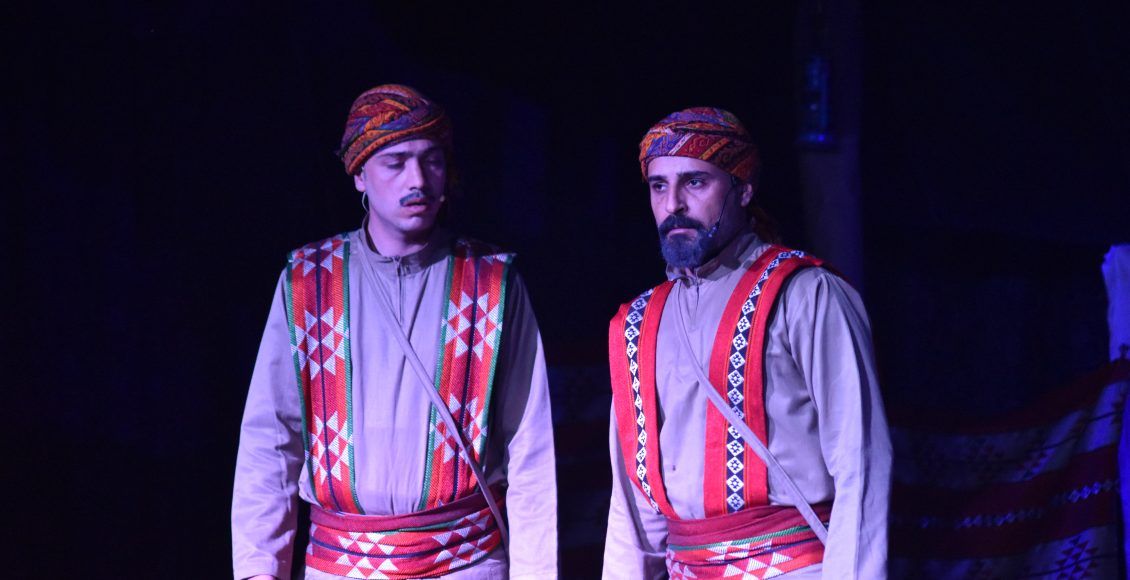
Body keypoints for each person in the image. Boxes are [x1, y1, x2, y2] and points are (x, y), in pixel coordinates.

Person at [232, 84, 558, 580]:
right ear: (359, 174)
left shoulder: (491, 283)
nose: (418, 179)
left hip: (464, 566)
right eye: (396, 162)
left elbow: (530, 447)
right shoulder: (309, 283)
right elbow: (271, 440)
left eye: (431, 161)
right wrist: (260, 569)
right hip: (340, 569)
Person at [602, 107, 890, 579]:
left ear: (744, 188)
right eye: (658, 186)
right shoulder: (639, 322)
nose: (673, 204)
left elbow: (862, 463)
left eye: (695, 182)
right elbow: (632, 511)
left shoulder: (805, 294)